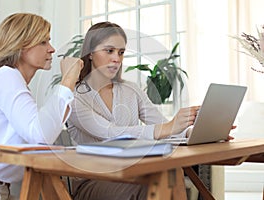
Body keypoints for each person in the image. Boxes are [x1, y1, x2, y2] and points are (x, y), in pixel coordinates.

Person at [66, 21, 200, 200]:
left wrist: (193, 131)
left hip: (132, 172)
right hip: (93, 180)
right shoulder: (74, 97)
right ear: (90, 53)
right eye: (109, 51)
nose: (117, 59)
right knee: (153, 185)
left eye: (121, 52)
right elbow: (110, 134)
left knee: (171, 171)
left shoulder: (130, 90)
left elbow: (162, 124)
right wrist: (168, 127)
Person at [0, 13, 83, 199]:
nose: (51, 49)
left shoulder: (13, 81)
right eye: (43, 42)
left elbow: (36, 134)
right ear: (20, 45)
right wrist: (68, 79)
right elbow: (40, 134)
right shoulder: (5, 76)